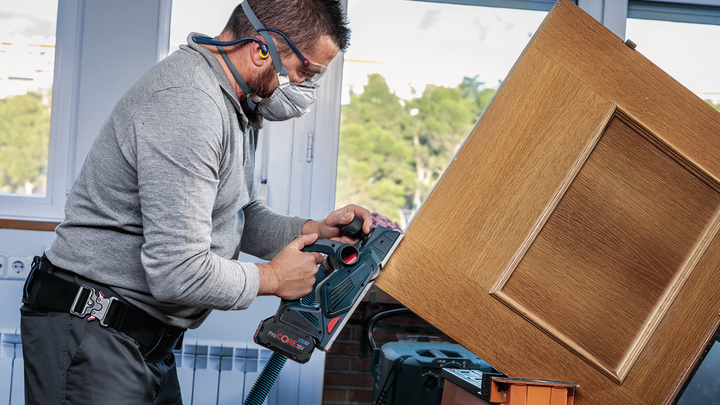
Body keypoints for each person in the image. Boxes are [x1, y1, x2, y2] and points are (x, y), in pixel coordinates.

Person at [20, 1, 369, 403]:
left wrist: (313, 231)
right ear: (261, 48)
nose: (306, 90)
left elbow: (235, 214)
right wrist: (272, 278)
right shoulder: (188, 103)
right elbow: (176, 271)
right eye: (306, 72)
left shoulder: (235, 104)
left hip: (140, 340)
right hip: (94, 333)